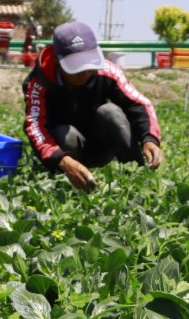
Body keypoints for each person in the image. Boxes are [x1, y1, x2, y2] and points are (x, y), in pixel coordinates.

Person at [22, 21, 162, 192]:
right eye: (77, 68)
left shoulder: (107, 71)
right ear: (59, 63)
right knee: (66, 134)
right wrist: (62, 160)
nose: (86, 73)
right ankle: (71, 186)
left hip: (99, 145)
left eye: (89, 66)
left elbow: (139, 104)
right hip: (65, 151)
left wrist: (149, 139)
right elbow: (35, 127)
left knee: (110, 112)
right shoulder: (39, 83)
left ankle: (139, 184)